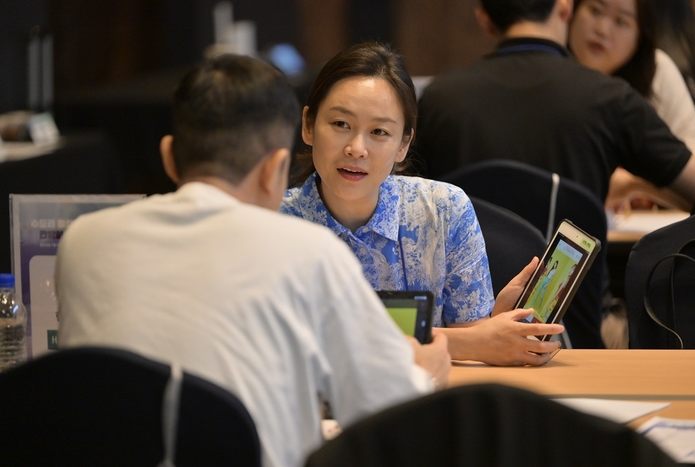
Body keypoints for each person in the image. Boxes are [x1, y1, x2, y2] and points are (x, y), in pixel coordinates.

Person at [55, 53, 451, 467]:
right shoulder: (309, 253)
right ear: (274, 170)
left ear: (169, 156)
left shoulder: (83, 241)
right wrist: (424, 373)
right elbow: (388, 417)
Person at [280, 41, 564, 367]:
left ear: (403, 144)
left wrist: (494, 324)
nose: (357, 148)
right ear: (308, 125)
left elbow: (476, 346)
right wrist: (469, 341)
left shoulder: (445, 211)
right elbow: (294, 349)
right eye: (341, 124)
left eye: (379, 131)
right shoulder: (273, 223)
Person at [416, 0, 695, 207]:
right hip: (575, 285)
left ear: (485, 20)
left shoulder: (438, 99)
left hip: (470, 287)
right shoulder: (611, 99)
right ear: (565, 9)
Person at [568, 0, 695, 211]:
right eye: (595, 11)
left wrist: (632, 182)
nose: (603, 30)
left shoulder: (656, 72)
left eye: (621, 21)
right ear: (569, 11)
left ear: (640, 35)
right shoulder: (547, 77)